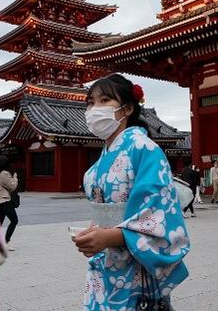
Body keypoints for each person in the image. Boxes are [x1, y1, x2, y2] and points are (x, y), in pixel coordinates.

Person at [73, 74, 189, 310]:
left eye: (104, 100)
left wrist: (109, 237)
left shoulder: (144, 149)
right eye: (90, 102)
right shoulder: (106, 155)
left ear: (126, 109)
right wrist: (94, 238)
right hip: (105, 263)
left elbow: (159, 215)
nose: (95, 109)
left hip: (135, 266)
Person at [0, 155, 18, 251]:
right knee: (14, 220)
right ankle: (6, 241)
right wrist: (15, 177)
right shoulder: (4, 174)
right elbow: (13, 186)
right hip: (4, 201)